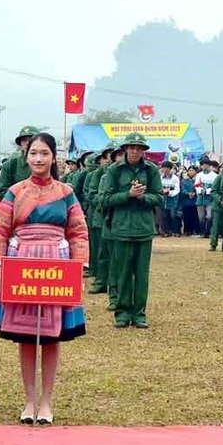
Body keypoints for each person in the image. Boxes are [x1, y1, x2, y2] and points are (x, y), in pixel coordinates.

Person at [0, 132, 89, 424]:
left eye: (44, 153)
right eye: (33, 153)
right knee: (26, 336)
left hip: (56, 265)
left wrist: (78, 267)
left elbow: (78, 231)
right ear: (26, 157)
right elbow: (0, 229)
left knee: (52, 336)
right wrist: (0, 267)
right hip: (22, 264)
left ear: (53, 157)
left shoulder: (66, 192)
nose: (38, 159)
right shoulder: (15, 191)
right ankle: (29, 401)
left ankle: (46, 402)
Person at [100, 132, 163, 329]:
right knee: (123, 272)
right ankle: (122, 312)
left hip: (143, 228)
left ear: (144, 151)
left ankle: (139, 314)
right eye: (132, 147)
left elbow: (159, 198)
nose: (135, 151)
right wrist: (128, 194)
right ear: (125, 149)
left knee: (141, 274)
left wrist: (142, 197)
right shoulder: (114, 170)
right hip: (121, 228)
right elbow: (104, 199)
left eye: (139, 148)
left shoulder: (151, 170)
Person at [0, 125, 39, 199]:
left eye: (31, 140)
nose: (27, 143)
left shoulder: (47, 164)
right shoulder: (11, 165)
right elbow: (2, 192)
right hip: (18, 208)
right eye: (24, 140)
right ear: (20, 144)